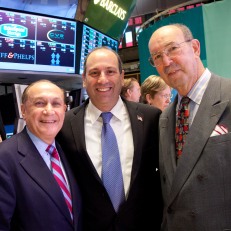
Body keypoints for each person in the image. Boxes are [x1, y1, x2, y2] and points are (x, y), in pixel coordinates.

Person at [57, 46, 163, 231]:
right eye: (94, 73)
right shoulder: (64, 125)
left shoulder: (151, 118)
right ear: (84, 79)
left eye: (110, 71)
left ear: (122, 77)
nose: (102, 79)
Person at [148, 23, 231, 231]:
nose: (166, 62)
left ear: (195, 48)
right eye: (157, 57)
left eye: (172, 49)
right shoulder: (165, 117)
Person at [0, 80, 82, 230]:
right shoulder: (4, 158)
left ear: (65, 109)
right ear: (23, 110)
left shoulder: (69, 151)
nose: (49, 111)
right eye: (39, 103)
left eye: (56, 104)